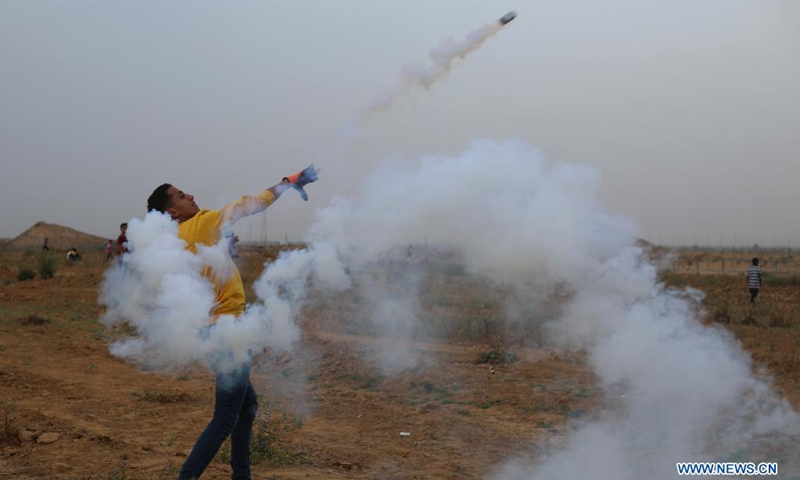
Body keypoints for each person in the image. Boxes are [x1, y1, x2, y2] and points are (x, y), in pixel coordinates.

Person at [146, 164, 317, 480]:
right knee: (225, 417)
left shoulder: (176, 239)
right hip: (227, 329)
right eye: (182, 196)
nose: (191, 196)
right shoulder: (202, 223)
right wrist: (288, 182)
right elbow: (251, 203)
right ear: (171, 212)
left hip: (213, 330)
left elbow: (201, 272)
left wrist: (223, 246)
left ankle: (242, 475)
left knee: (246, 408)